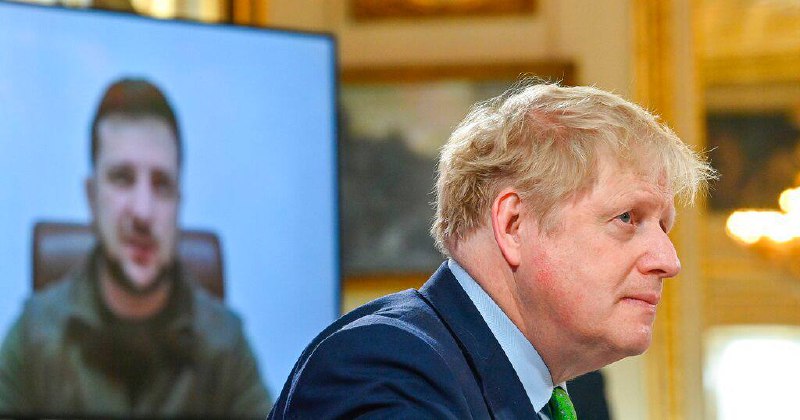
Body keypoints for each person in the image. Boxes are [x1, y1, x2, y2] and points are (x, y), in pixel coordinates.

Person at [270, 82, 715, 419]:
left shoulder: (532, 392)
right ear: (513, 224)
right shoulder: (387, 371)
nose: (669, 260)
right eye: (627, 218)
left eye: (664, 226)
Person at [0, 78, 270, 418]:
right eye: (122, 178)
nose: (143, 212)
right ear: (91, 197)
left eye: (162, 185)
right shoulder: (32, 339)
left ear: (179, 205)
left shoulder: (227, 347)